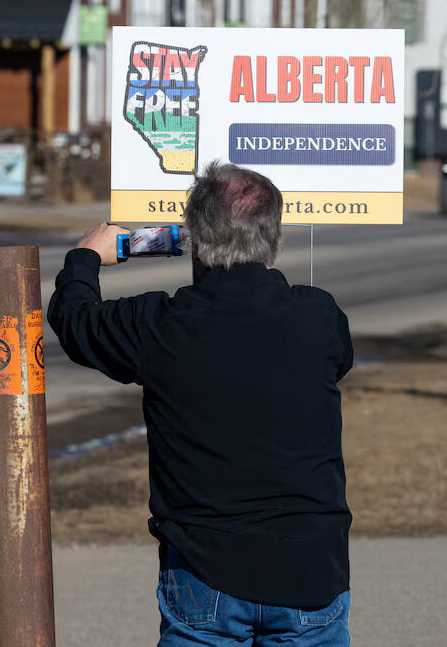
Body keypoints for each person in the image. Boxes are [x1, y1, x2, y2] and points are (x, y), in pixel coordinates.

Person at [48, 161, 353, 646]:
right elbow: (335, 361)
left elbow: (75, 320)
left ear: (192, 239)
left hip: (203, 570)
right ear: (272, 238)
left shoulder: (159, 325)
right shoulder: (319, 317)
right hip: (311, 569)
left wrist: (86, 258)